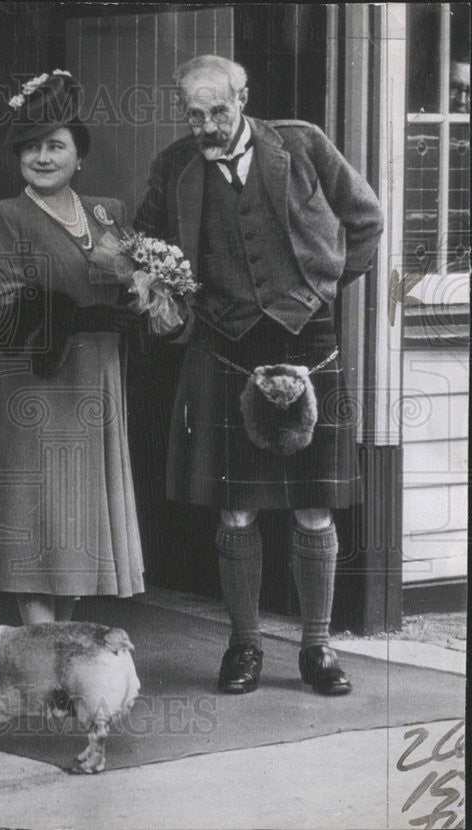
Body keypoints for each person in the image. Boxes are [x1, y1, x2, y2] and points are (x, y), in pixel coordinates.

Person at [134, 55, 383, 695]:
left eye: (219, 110)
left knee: (313, 508)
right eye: (195, 114)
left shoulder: (300, 144)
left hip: (312, 340)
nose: (208, 125)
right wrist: (164, 301)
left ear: (244, 98)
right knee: (237, 509)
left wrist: (322, 287)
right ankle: (243, 647)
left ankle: (318, 650)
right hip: (224, 347)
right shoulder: (173, 169)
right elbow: (144, 247)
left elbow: (366, 219)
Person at [0, 72, 145, 626]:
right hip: (37, 392)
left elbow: (135, 290)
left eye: (55, 145)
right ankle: (42, 655)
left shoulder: (108, 212)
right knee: (40, 528)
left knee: (76, 532)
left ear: (80, 154)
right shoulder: (3, 215)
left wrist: (153, 299)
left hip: (95, 385)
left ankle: (61, 656)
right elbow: (0, 307)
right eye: (31, 147)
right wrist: (79, 314)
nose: (42, 157)